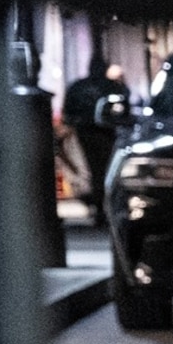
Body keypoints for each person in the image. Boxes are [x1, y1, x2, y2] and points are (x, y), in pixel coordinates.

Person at [62, 50, 131, 226]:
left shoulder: (80, 87)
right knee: (105, 170)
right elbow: (124, 109)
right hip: (104, 132)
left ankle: (102, 208)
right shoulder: (112, 87)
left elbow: (68, 112)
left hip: (89, 132)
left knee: (97, 170)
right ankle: (105, 208)